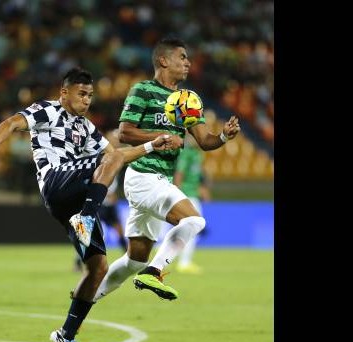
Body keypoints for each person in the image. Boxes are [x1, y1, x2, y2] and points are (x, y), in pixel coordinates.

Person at [0, 67, 172, 342]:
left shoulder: (87, 128)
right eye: (81, 93)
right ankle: (87, 218)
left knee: (99, 267)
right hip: (55, 181)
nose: (87, 100)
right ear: (65, 93)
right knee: (111, 160)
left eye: (90, 95)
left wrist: (152, 146)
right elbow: (12, 122)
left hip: (72, 201)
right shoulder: (46, 111)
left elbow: (115, 155)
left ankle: (66, 335)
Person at [93, 37, 241, 302]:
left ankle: (85, 300)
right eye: (182, 57)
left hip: (159, 180)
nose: (188, 63)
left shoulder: (188, 100)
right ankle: (155, 271)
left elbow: (204, 141)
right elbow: (125, 132)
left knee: (133, 262)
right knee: (194, 220)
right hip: (142, 176)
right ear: (163, 60)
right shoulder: (143, 90)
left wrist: (222, 137)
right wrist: (159, 137)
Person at [73, 130, 128, 273]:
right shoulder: (99, 156)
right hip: (98, 201)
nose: (116, 142)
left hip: (110, 203)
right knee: (87, 231)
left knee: (119, 231)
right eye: (113, 139)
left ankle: (128, 259)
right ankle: (78, 262)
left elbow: (113, 180)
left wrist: (114, 193)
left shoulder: (117, 156)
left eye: (117, 140)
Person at [173, 134, 211, 274]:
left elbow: (196, 175)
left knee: (189, 230)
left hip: (193, 194)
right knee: (194, 228)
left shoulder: (197, 154)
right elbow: (179, 174)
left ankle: (175, 258)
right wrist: (176, 194)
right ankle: (184, 262)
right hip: (187, 195)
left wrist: (202, 189)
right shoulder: (187, 154)